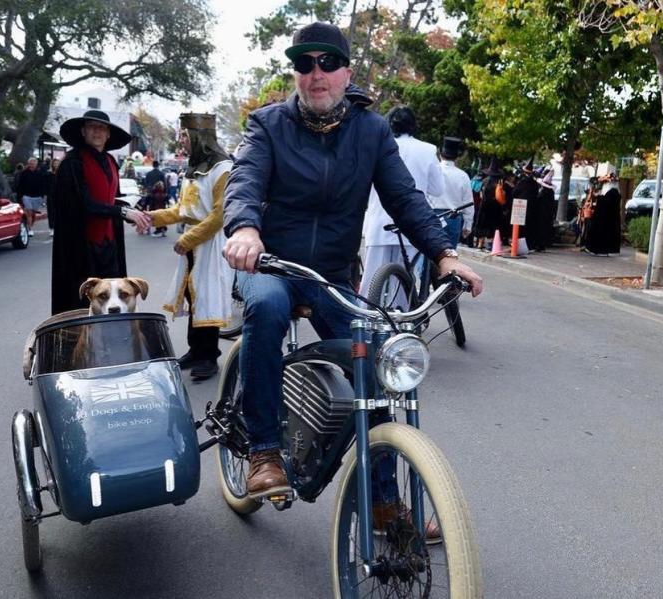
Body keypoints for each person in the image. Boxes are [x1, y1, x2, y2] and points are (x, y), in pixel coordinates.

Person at [222, 23, 484, 515]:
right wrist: (245, 230)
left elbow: (406, 200)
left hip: (331, 276)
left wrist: (445, 256)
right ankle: (263, 450)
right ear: (296, 73)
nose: (315, 74)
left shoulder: (372, 131)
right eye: (304, 64)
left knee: (381, 364)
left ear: (346, 72)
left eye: (326, 63)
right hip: (271, 263)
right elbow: (246, 182)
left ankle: (382, 500)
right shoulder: (267, 124)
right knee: (267, 306)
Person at [147, 113, 234, 380]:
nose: (181, 140)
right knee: (192, 298)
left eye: (184, 135)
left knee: (207, 298)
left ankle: (209, 357)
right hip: (195, 245)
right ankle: (196, 350)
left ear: (199, 136)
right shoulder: (193, 168)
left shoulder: (223, 168)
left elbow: (219, 215)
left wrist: (187, 239)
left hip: (212, 243)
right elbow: (183, 209)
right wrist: (152, 217)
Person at [49, 110, 152, 315]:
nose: (97, 132)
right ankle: (78, 344)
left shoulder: (111, 162)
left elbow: (110, 199)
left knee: (113, 298)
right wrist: (122, 212)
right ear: (83, 131)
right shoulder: (72, 162)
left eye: (102, 128)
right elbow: (81, 204)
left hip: (109, 245)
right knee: (80, 302)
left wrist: (133, 212)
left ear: (108, 134)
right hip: (81, 247)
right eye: (91, 127)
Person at [360, 105, 444, 298]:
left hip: (378, 222)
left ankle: (365, 323)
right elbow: (437, 189)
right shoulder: (427, 150)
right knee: (405, 281)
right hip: (411, 223)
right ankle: (400, 321)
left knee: (371, 280)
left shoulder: (376, 145)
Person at [428, 136, 474, 247]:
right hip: (453, 218)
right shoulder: (463, 176)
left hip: (433, 216)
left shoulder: (432, 170)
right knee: (449, 256)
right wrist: (468, 225)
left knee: (428, 253)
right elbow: (468, 202)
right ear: (456, 157)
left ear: (440, 154)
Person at [582, 171, 622, 255]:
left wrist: (598, 198)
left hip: (606, 219)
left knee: (602, 233)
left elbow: (606, 203)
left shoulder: (612, 192)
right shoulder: (615, 192)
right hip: (609, 218)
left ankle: (600, 250)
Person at [473, 158, 510, 250]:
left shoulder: (485, 181)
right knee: (494, 225)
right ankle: (491, 244)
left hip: (484, 205)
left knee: (482, 224)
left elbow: (481, 194)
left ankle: (480, 243)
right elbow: (502, 195)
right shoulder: (500, 182)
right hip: (495, 206)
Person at [512, 157, 540, 251]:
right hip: (532, 208)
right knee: (530, 227)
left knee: (521, 228)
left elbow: (514, 193)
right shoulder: (535, 184)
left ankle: (519, 246)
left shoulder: (522, 182)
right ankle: (530, 245)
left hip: (521, 207)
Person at [16, 157, 48, 236]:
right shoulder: (24, 173)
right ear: (28, 164)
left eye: (33, 163)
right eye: (30, 163)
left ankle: (30, 226)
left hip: (37, 196)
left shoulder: (40, 173)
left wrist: (43, 195)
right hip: (27, 196)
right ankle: (29, 229)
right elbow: (20, 185)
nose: (32, 164)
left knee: (33, 214)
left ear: (36, 164)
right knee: (29, 212)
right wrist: (20, 196)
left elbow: (44, 184)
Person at [45, 157, 61, 237]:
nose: (56, 164)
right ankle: (51, 228)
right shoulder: (48, 174)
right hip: (50, 195)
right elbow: (45, 185)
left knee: (60, 212)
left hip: (60, 195)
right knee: (51, 212)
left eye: (57, 163)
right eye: (55, 163)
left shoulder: (62, 173)